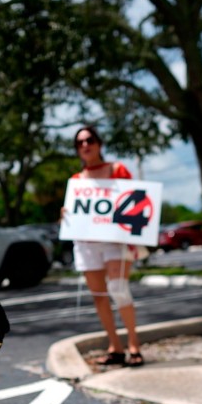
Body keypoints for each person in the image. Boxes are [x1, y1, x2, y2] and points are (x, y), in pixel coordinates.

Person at [67, 126, 144, 367]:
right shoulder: (76, 181)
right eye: (79, 143)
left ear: (99, 143)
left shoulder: (117, 170)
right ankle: (115, 346)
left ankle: (134, 344)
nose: (85, 145)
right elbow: (74, 217)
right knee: (99, 296)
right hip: (88, 245)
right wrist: (65, 215)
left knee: (119, 288)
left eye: (89, 140)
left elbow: (135, 202)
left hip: (115, 241)